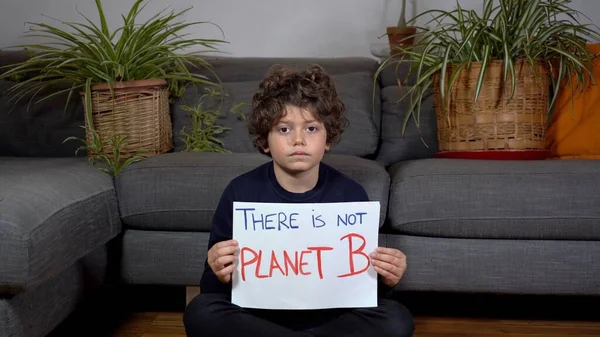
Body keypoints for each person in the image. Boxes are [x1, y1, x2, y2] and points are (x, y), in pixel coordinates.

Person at [183, 64, 414, 337]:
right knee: (200, 312)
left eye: (312, 128)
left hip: (330, 317)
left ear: (329, 137)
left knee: (397, 320)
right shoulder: (239, 192)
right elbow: (213, 287)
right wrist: (217, 269)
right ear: (264, 140)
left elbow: (363, 289)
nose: (298, 140)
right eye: (283, 129)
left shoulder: (350, 195)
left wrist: (388, 278)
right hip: (259, 315)